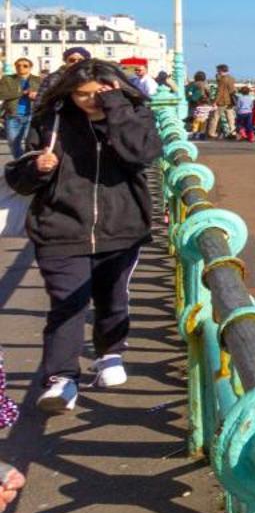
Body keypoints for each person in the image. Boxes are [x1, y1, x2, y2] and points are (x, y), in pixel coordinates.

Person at [3, 58, 164, 414]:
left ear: (116, 89)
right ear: (69, 92)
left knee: (112, 297)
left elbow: (142, 154)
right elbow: (18, 176)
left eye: (99, 94)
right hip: (60, 227)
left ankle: (109, 353)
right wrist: (36, 168)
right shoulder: (54, 119)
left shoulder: (133, 116)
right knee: (67, 304)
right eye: (82, 94)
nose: (90, 100)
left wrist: (116, 108)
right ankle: (61, 379)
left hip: (121, 227)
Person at [1, 57, 39, 157]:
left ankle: (27, 164)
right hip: (13, 115)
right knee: (13, 143)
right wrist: (23, 92)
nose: (21, 68)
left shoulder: (38, 80)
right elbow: (2, 94)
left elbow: (46, 95)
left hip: (31, 116)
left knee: (30, 143)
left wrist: (37, 95)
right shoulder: (7, 79)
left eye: (25, 66)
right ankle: (21, 162)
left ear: (30, 68)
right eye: (18, 66)